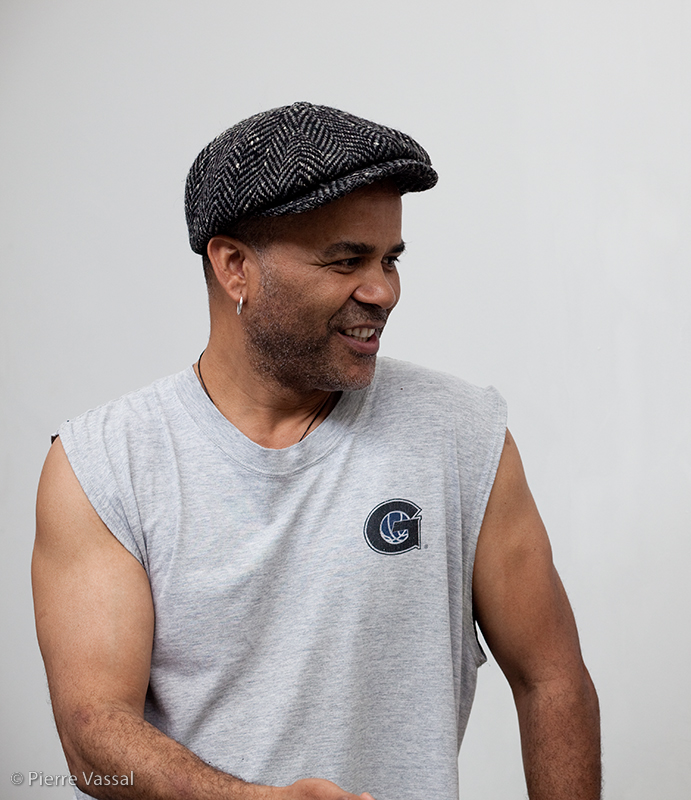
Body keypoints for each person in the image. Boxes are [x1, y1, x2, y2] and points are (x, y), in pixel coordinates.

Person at [32, 102, 600, 800]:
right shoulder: (104, 464)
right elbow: (93, 736)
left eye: (390, 259)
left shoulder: (462, 435)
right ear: (235, 267)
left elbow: (551, 679)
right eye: (347, 260)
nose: (383, 291)